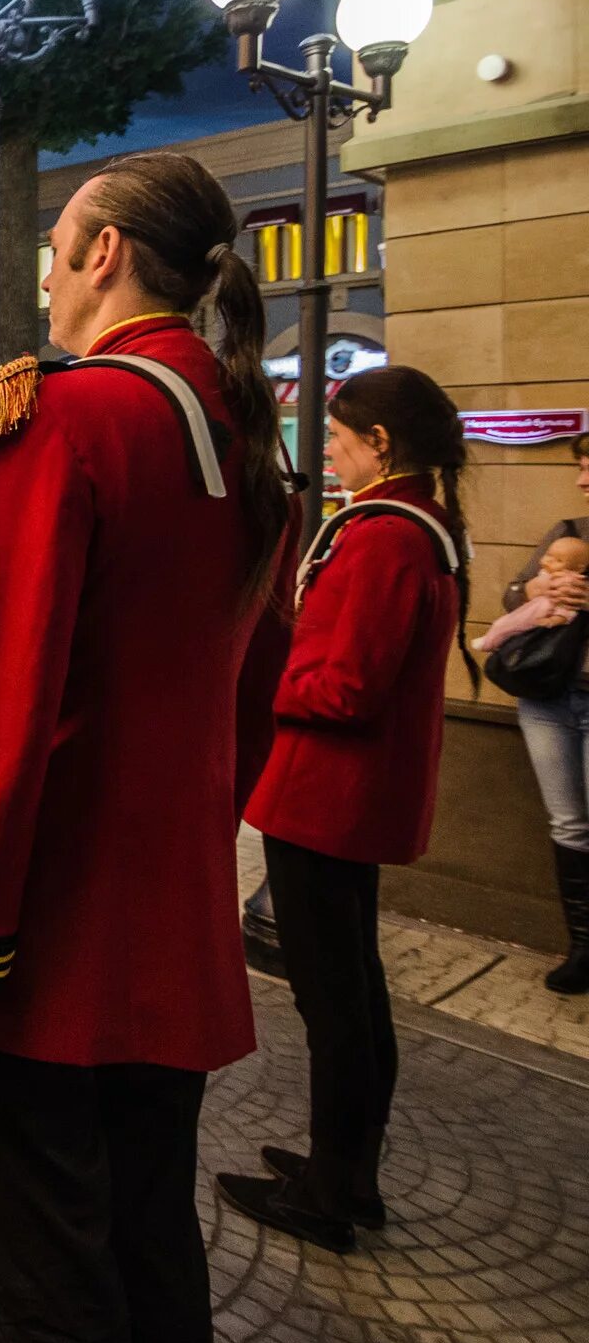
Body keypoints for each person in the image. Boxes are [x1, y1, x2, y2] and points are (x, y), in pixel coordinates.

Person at [0, 151, 294, 1343]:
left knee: (48, 1301)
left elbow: (2, 707)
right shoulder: (243, 428)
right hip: (170, 937)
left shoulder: (61, 418)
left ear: (103, 252)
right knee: (149, 1256)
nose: (46, 276)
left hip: (42, 953)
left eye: (55, 246)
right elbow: (253, 692)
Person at [216, 365, 472, 1254]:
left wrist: (264, 683)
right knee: (353, 991)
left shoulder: (384, 538)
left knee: (335, 1004)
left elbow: (346, 687)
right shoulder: (420, 527)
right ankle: (348, 1173)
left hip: (327, 797)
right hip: (352, 798)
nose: (330, 450)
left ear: (382, 444)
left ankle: (331, 1193)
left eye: (339, 435)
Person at [503, 431, 589, 993]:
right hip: (547, 697)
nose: (581, 481)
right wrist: (533, 589)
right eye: (580, 467)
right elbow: (512, 595)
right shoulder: (569, 532)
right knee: (569, 825)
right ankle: (582, 947)